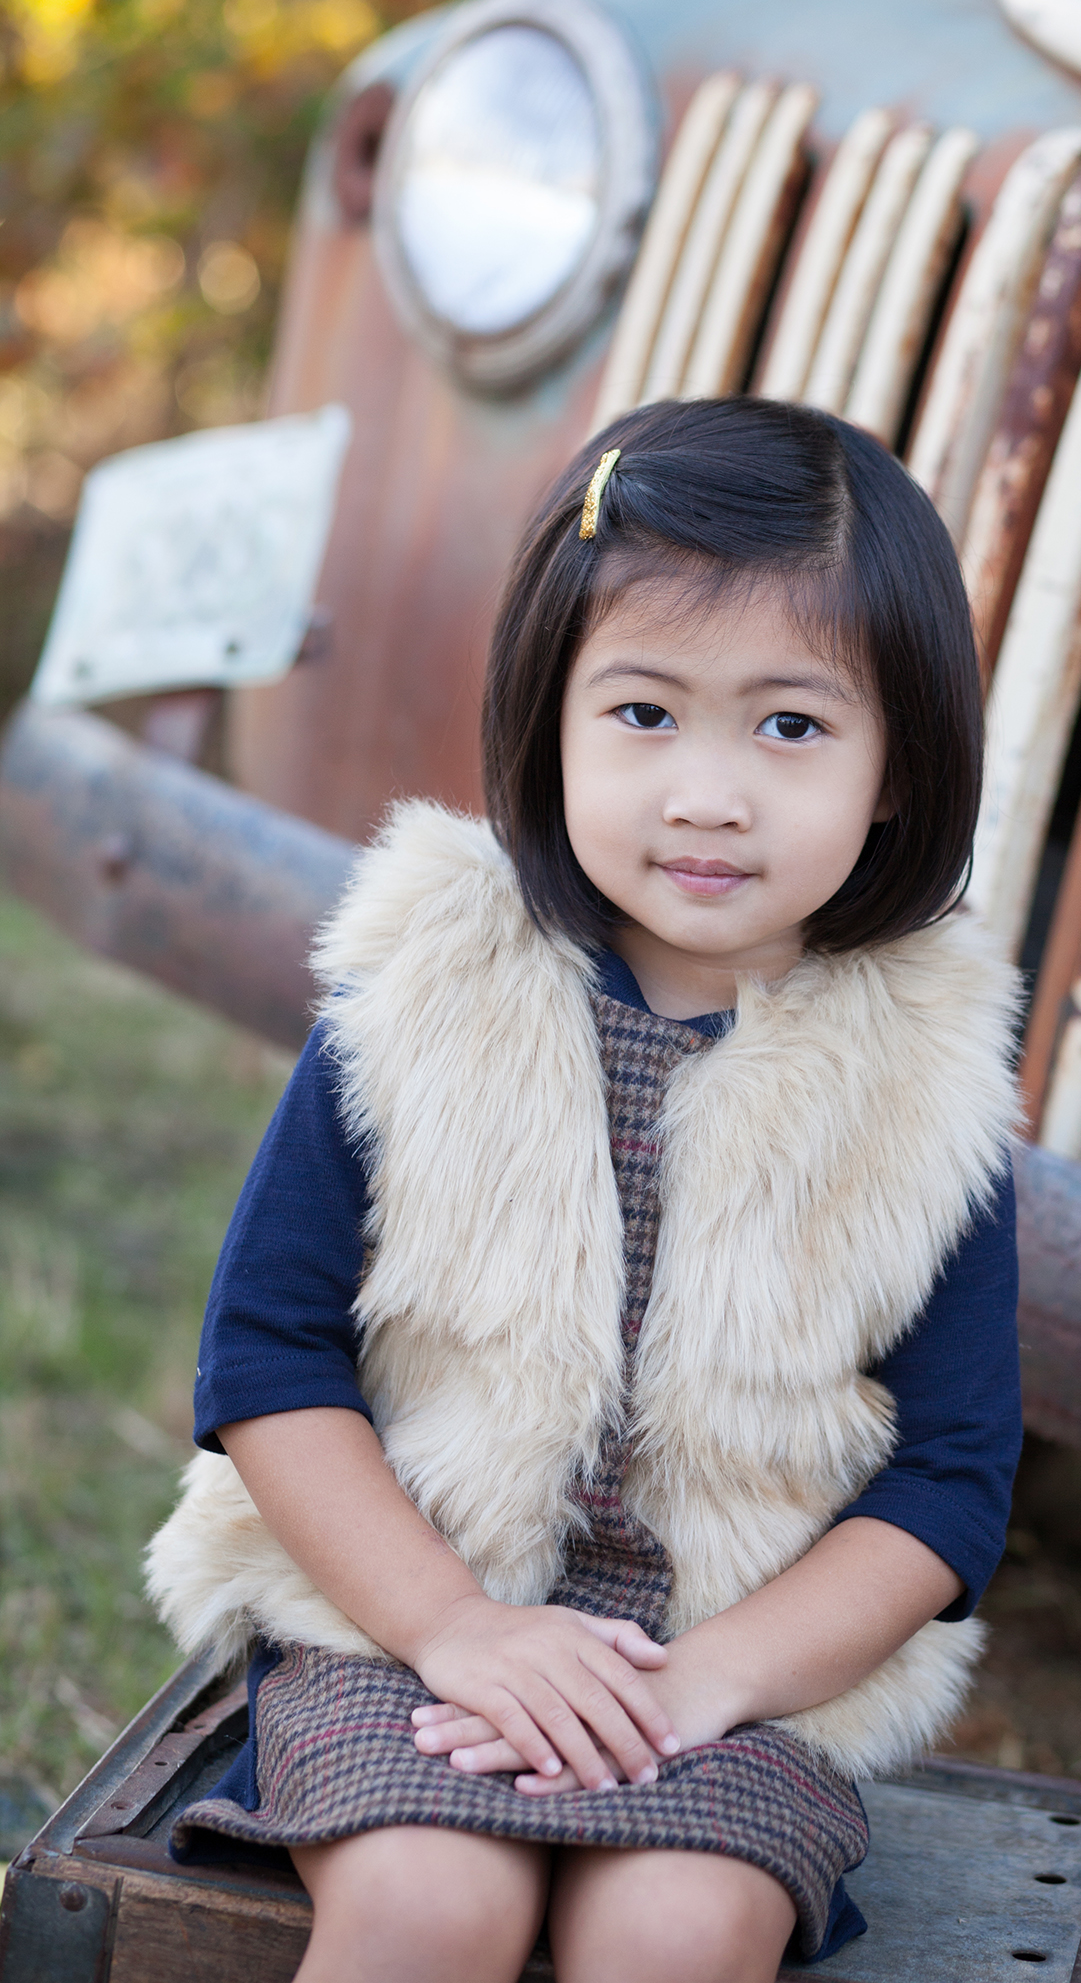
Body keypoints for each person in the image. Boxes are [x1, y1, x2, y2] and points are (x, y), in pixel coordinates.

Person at [146, 396, 1023, 1983]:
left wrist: (708, 1684)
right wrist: (458, 1632)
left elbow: (950, 1481)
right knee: (427, 1902)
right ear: (549, 715)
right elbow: (269, 1361)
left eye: (791, 726)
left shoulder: (924, 1082)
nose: (708, 792)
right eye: (643, 713)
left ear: (899, 766)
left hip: (737, 1662)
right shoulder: (430, 991)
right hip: (410, 1605)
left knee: (679, 1932)